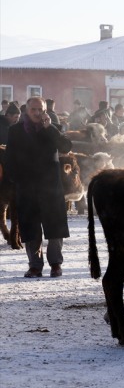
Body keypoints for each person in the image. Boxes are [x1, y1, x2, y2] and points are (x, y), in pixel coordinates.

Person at [3, 96, 73, 278]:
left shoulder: (51, 129)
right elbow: (9, 157)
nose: (36, 113)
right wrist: (15, 178)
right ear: (26, 110)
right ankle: (35, 266)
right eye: (33, 110)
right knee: (30, 227)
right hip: (27, 186)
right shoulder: (16, 130)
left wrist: (50, 128)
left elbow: (66, 147)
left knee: (55, 227)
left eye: (40, 110)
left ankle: (56, 264)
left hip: (50, 187)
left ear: (45, 111)